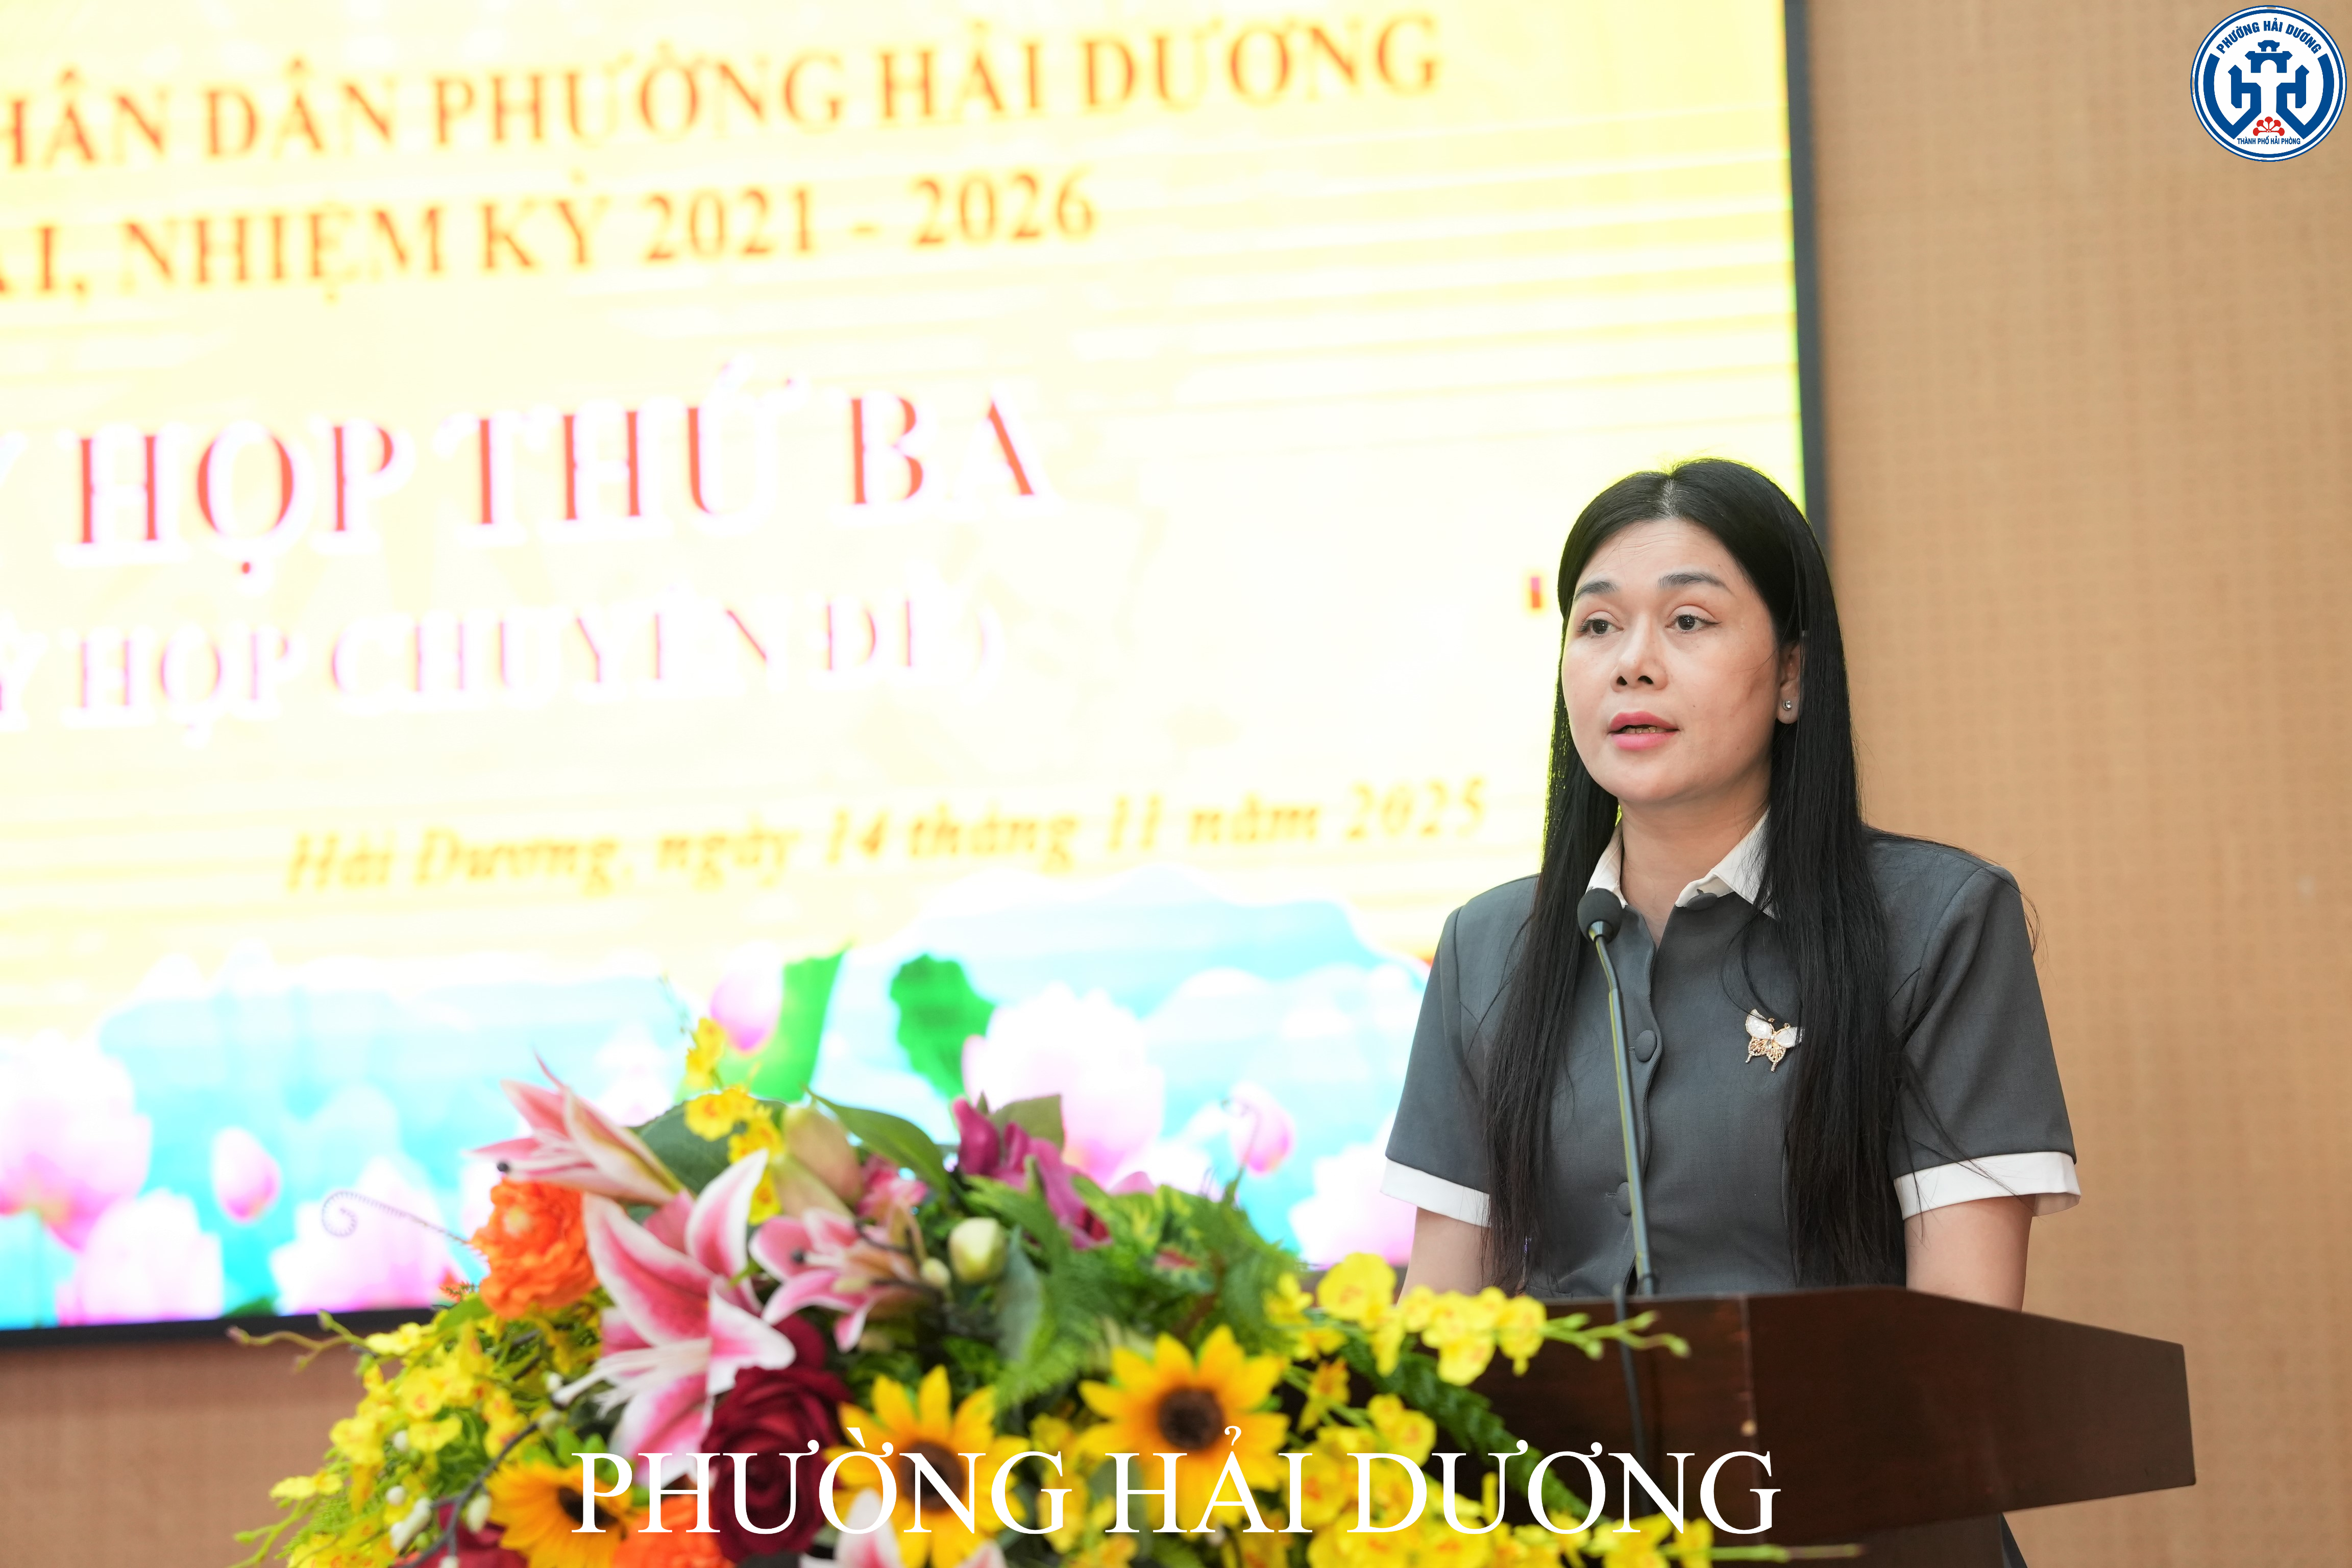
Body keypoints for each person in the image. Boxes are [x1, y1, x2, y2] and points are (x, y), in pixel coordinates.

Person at [1383, 459, 2071, 1559]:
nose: (1633, 663)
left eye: (1688, 621)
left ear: (1793, 674)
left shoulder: (1934, 921)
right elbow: (1440, 1329)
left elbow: (1960, 1339)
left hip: (1859, 1536)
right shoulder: (1489, 947)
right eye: (1597, 626)